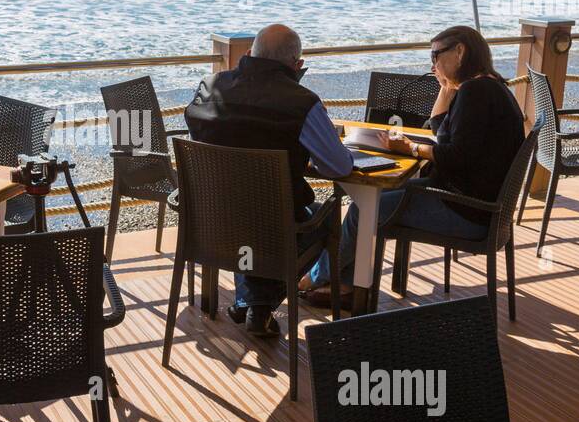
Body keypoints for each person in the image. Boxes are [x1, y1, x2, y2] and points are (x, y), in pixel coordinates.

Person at [303, 25, 525, 301]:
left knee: (364, 209)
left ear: (460, 51)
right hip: (482, 208)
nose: (432, 65)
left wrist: (411, 148)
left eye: (435, 56)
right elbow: (442, 132)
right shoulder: (489, 86)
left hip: (468, 213)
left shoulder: (476, 92)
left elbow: (456, 155)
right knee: (372, 198)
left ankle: (319, 278)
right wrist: (446, 89)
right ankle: (346, 286)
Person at [185, 24, 353, 336]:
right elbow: (339, 167)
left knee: (247, 212)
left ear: (249, 54)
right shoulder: (302, 102)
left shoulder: (208, 87)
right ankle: (258, 304)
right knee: (322, 220)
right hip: (270, 226)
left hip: (208, 220)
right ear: (297, 65)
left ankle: (250, 303)